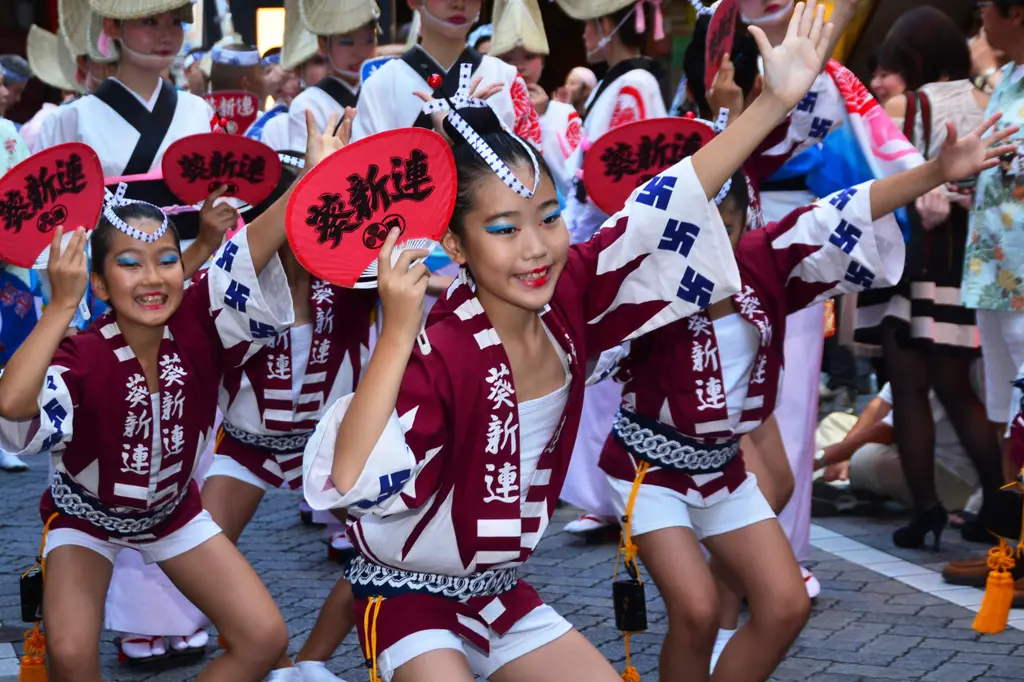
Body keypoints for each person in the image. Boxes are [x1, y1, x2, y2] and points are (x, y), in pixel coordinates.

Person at [298, 8, 869, 680]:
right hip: (408, 600)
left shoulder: (570, 295)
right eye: (504, 229)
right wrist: (396, 333)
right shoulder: (442, 345)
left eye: (547, 217)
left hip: (502, 597)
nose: (537, 247)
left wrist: (771, 104)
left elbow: (667, 205)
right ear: (455, 244)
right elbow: (348, 476)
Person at [598, 29, 1015, 682]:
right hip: (647, 468)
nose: (709, 240)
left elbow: (843, 210)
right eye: (694, 224)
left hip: (719, 466)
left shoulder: (763, 261)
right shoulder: (639, 272)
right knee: (699, 608)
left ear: (742, 219)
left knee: (787, 605)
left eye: (725, 222)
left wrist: (936, 172)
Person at [0, 104, 348, 682]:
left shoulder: (199, 322)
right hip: (85, 518)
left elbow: (252, 250)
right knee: (70, 653)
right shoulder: (82, 353)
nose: (153, 276)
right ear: (101, 285)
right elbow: (12, 405)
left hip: (172, 513)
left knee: (265, 639)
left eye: (166, 261)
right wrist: (60, 305)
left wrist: (310, 182)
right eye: (130, 264)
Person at [854, 6, 1004, 550]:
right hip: (960, 262)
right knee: (958, 388)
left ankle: (927, 510)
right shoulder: (986, 102)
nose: (881, 78)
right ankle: (999, 499)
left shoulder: (903, 107)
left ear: (914, 61)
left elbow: (868, 178)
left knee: (910, 389)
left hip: (906, 262)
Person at [554, 0, 669, 537]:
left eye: (590, 24)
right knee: (597, 370)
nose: (585, 35)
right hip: (596, 235)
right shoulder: (619, 82)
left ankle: (614, 495)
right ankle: (603, 495)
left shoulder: (632, 85)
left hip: (613, 240)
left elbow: (625, 176)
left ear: (610, 24)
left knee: (607, 372)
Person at [350, 0, 540, 145]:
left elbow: (530, 172)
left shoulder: (506, 77)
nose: (459, 3)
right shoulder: (381, 84)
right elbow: (367, 171)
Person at [814, 380, 981, 515]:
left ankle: (841, 479)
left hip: (953, 478)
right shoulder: (915, 356)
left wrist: (824, 457)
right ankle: (846, 479)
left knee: (867, 456)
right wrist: (842, 456)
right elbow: (880, 404)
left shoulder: (943, 362)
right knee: (834, 422)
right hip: (909, 450)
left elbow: (890, 429)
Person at [490, 0, 581, 197]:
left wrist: (539, 120)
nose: (520, 66)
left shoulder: (564, 113)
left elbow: (573, 177)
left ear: (543, 61)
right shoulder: (486, 110)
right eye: (508, 59)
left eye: (529, 56)